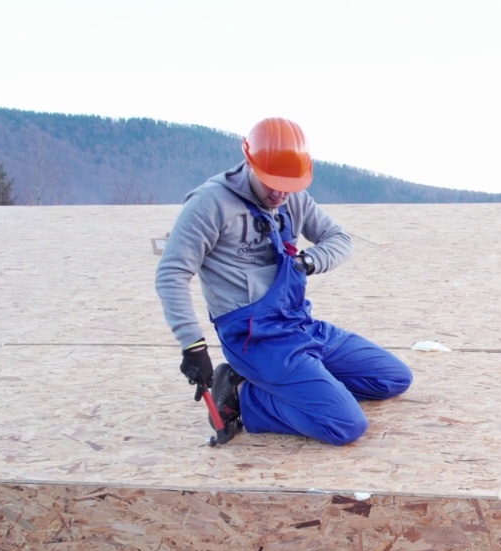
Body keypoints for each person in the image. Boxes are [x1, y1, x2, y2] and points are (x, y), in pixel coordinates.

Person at [155, 116, 412, 446]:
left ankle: (304, 388)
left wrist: (308, 261)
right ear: (251, 162)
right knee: (344, 425)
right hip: (255, 339)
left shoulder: (294, 198)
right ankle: (243, 395)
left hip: (299, 325)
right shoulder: (210, 204)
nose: (280, 193)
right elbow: (171, 273)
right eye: (271, 182)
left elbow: (339, 238)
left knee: (392, 378)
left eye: (289, 186)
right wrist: (192, 344)